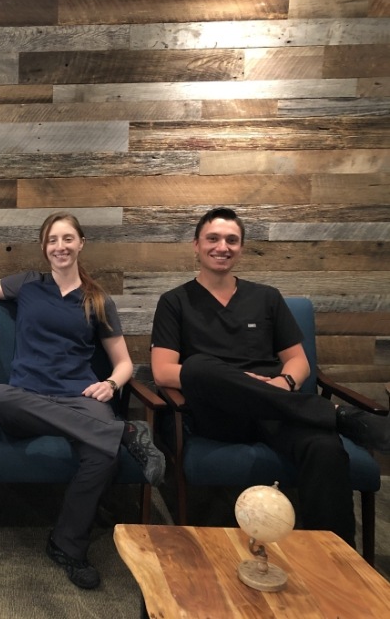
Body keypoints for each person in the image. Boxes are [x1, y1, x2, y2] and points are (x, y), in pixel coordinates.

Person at [150, 207, 390, 547]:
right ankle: (336, 416)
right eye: (213, 238)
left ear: (242, 248)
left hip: (278, 409)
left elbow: (298, 362)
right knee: (200, 366)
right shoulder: (175, 302)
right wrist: (244, 381)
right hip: (220, 415)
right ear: (196, 246)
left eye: (232, 240)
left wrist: (283, 384)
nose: (223, 246)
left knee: (324, 447)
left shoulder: (266, 297)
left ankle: (336, 562)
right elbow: (162, 372)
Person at [0, 211, 165, 591]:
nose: (60, 246)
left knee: (100, 455)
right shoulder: (27, 284)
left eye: (67, 238)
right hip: (25, 396)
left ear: (81, 243)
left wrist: (110, 384)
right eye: (53, 240)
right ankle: (122, 432)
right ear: (44, 247)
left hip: (79, 394)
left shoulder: (97, 299)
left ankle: (67, 545)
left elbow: (123, 364)